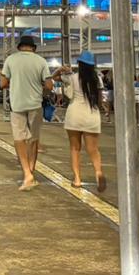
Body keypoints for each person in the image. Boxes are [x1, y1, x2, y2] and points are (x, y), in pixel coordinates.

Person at [0, 35, 54, 191]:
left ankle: (26, 173)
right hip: (35, 105)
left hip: (17, 105)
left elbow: (3, 83)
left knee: (19, 139)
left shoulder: (11, 60)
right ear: (34, 48)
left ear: (19, 47)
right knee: (34, 139)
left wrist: (16, 81)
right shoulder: (40, 61)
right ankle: (31, 170)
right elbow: (49, 85)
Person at [55, 51, 106, 192]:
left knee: (75, 148)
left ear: (80, 64)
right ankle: (98, 172)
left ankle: (77, 179)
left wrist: (61, 69)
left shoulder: (72, 77)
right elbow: (100, 101)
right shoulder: (98, 80)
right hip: (92, 115)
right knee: (93, 150)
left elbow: (54, 77)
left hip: (74, 115)